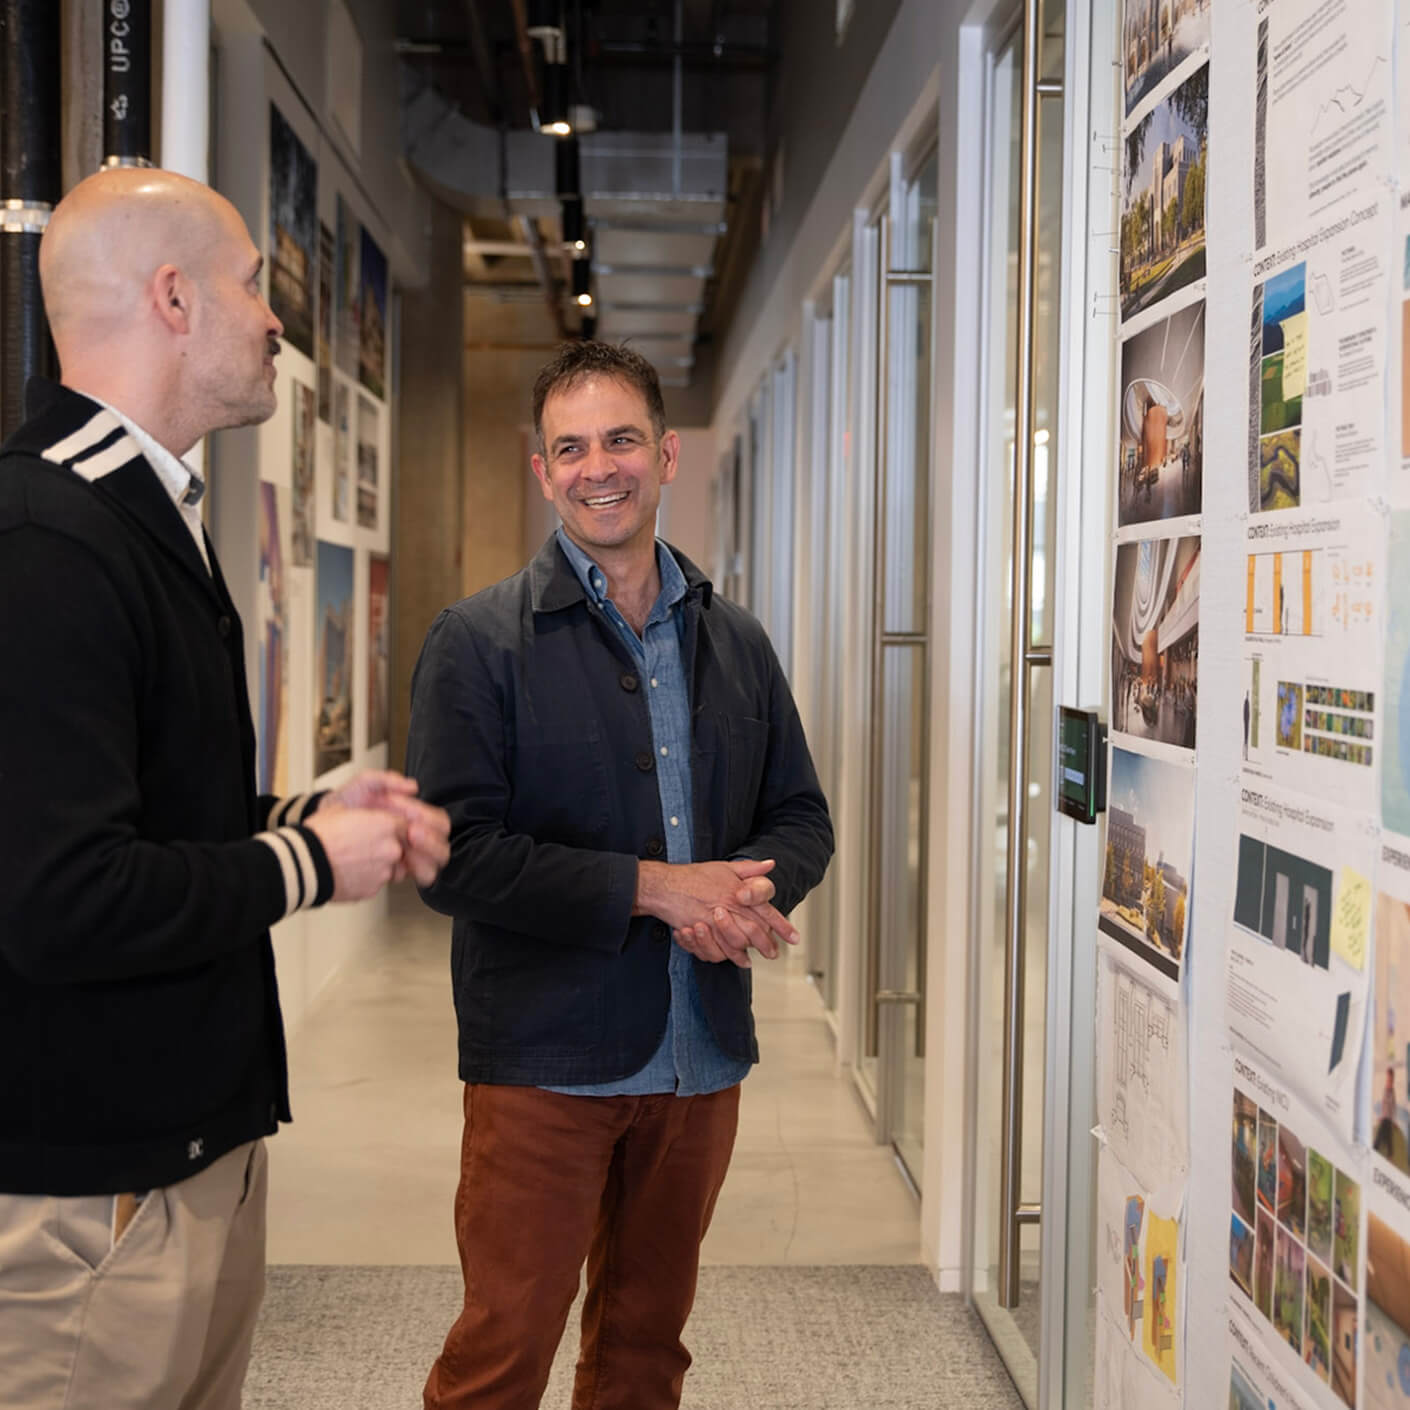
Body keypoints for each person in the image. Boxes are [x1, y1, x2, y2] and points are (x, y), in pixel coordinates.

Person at [0, 168, 451, 1410]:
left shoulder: (142, 516)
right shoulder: (48, 541)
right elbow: (63, 895)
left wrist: (297, 821)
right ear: (173, 297)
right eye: (253, 284)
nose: (274, 319)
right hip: (96, 1199)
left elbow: (144, 821)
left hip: (189, 1158)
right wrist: (312, 868)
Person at [407, 341, 833, 1410]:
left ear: (667, 452)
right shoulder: (477, 642)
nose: (601, 466)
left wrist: (744, 897)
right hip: (546, 1063)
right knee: (502, 1353)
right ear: (540, 469)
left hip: (700, 1060)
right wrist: (658, 889)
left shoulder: (736, 641)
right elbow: (454, 857)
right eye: (572, 447)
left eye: (622, 439)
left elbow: (801, 817)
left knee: (647, 1350)